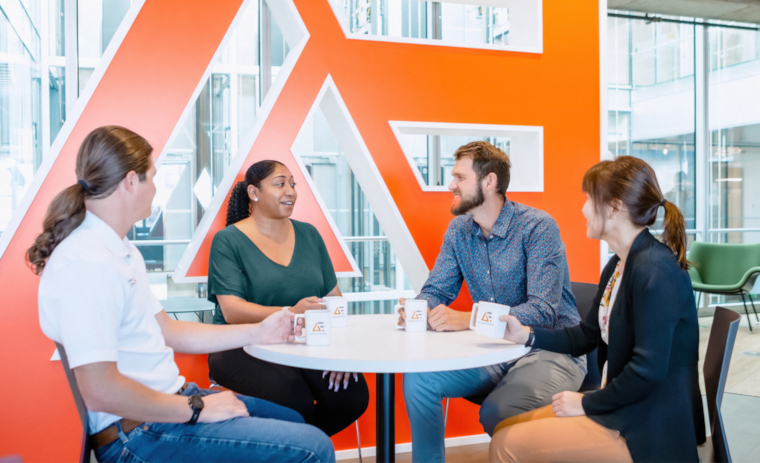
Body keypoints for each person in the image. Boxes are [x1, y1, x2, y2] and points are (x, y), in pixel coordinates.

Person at [30, 126, 335, 463]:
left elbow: (169, 331)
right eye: (152, 177)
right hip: (137, 433)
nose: (156, 188)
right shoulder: (86, 263)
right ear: (131, 182)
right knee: (314, 447)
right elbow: (100, 390)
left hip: (166, 406)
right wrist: (197, 408)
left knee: (292, 419)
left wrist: (259, 332)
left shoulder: (120, 251)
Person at [491, 156, 705, 462]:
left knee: (505, 444)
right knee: (504, 427)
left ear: (615, 208)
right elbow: (585, 336)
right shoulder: (618, 265)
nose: (583, 209)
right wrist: (526, 334)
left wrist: (586, 404)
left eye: (589, 200)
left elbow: (647, 372)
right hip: (621, 408)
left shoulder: (656, 270)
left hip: (647, 427)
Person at [399, 141, 587, 462]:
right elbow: (437, 290)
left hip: (550, 349)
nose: (451, 185)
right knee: (420, 379)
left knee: (496, 411)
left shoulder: (537, 226)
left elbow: (541, 311)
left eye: (460, 177)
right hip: (494, 350)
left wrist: (469, 319)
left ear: (489, 182)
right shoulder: (459, 230)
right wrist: (417, 309)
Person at [206, 160, 369, 436]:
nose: (290, 191)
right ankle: (295, 448)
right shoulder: (227, 240)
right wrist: (290, 312)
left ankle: (296, 448)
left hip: (302, 341)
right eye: (280, 184)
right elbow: (232, 311)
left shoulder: (309, 234)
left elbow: (334, 300)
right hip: (239, 343)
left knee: (350, 397)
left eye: (293, 184)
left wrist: (341, 353)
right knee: (294, 403)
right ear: (254, 193)